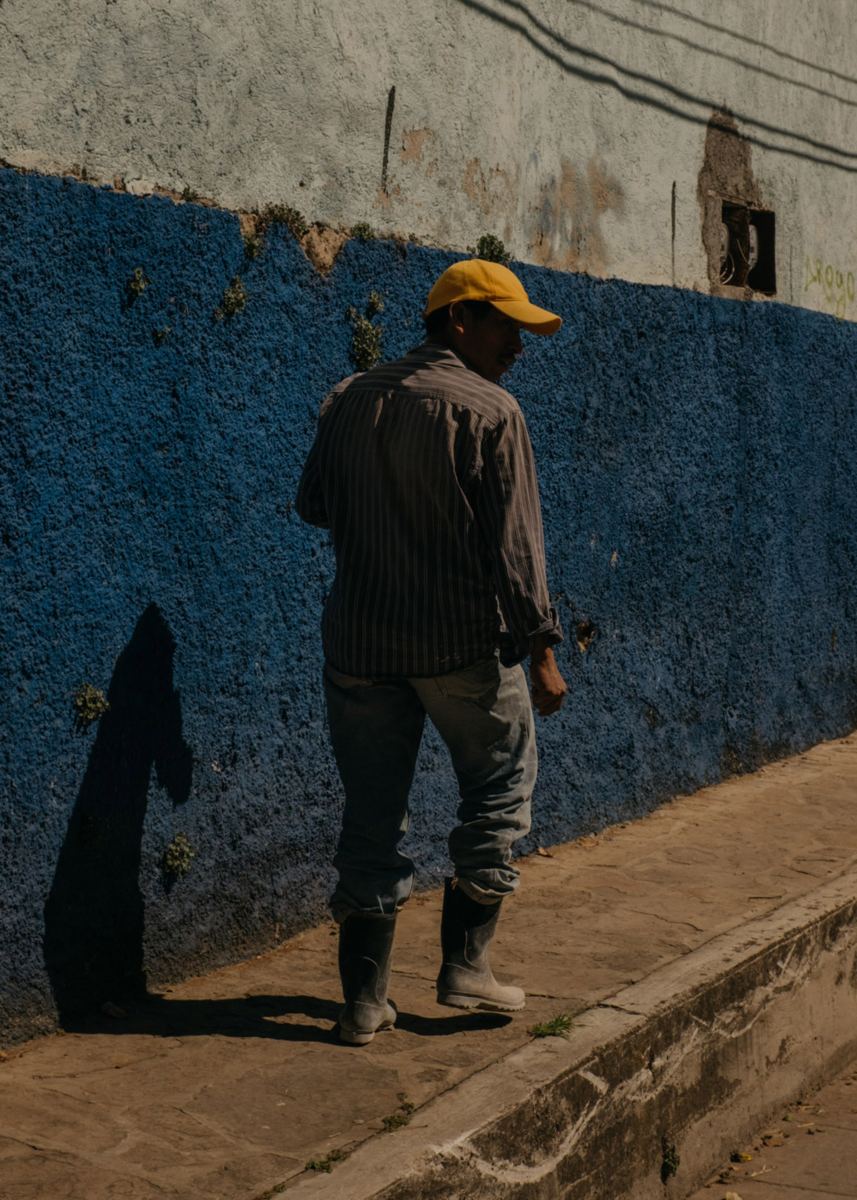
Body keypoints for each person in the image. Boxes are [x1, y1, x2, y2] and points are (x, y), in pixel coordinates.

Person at [296, 258, 568, 1045]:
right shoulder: (492, 411)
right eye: (505, 326)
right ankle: (465, 968)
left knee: (371, 815)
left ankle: (361, 1003)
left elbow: (312, 505)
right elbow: (517, 552)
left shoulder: (347, 397)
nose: (517, 345)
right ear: (458, 319)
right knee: (499, 789)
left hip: (360, 644)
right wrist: (542, 654)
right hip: (460, 646)